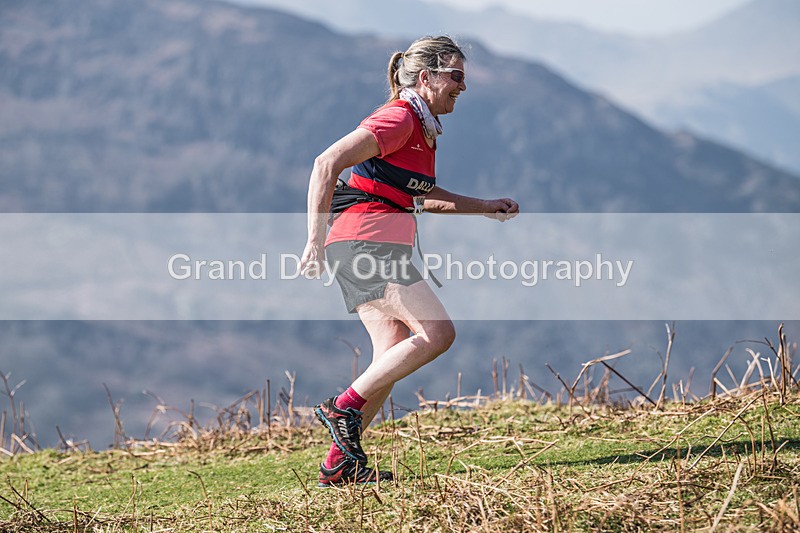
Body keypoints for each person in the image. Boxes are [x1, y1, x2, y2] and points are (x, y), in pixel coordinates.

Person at [300, 36, 519, 488]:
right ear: (426, 78)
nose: (463, 86)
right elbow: (326, 163)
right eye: (456, 76)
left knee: (390, 356)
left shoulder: (422, 128)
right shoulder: (399, 117)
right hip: (365, 243)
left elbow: (421, 196)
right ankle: (342, 407)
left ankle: (339, 465)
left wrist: (485, 206)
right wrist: (313, 240)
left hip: (374, 243)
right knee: (438, 333)